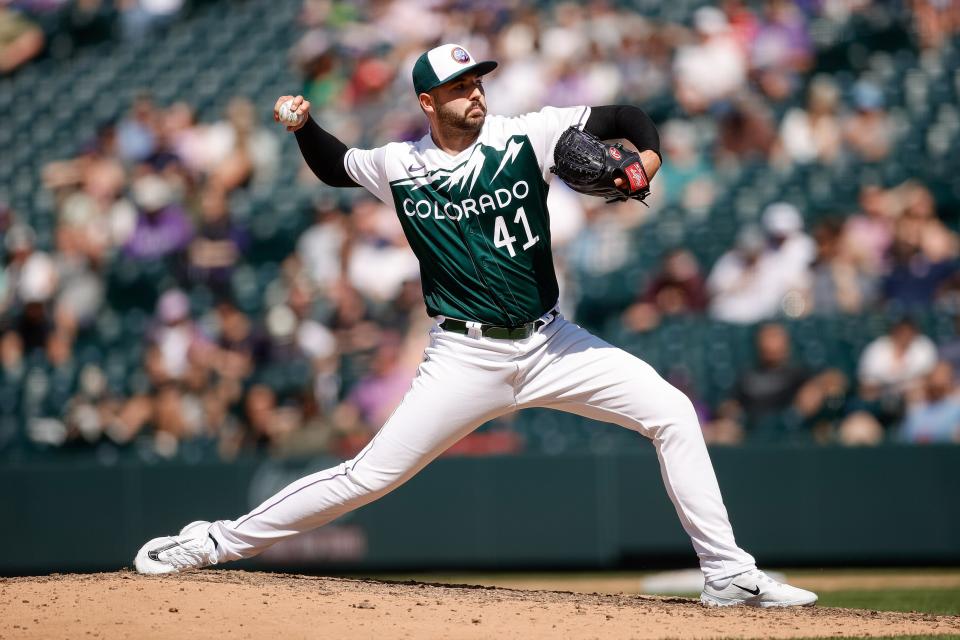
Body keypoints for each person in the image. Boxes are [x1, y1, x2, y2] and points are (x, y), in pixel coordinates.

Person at [134, 43, 816, 608]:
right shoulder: (402, 167)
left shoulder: (528, 133)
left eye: (477, 79)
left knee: (670, 411)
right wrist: (304, 127)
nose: (474, 92)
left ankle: (727, 574)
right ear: (427, 102)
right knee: (370, 475)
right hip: (465, 356)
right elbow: (337, 166)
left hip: (553, 342)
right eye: (458, 85)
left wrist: (646, 161)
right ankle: (213, 541)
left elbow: (629, 115)